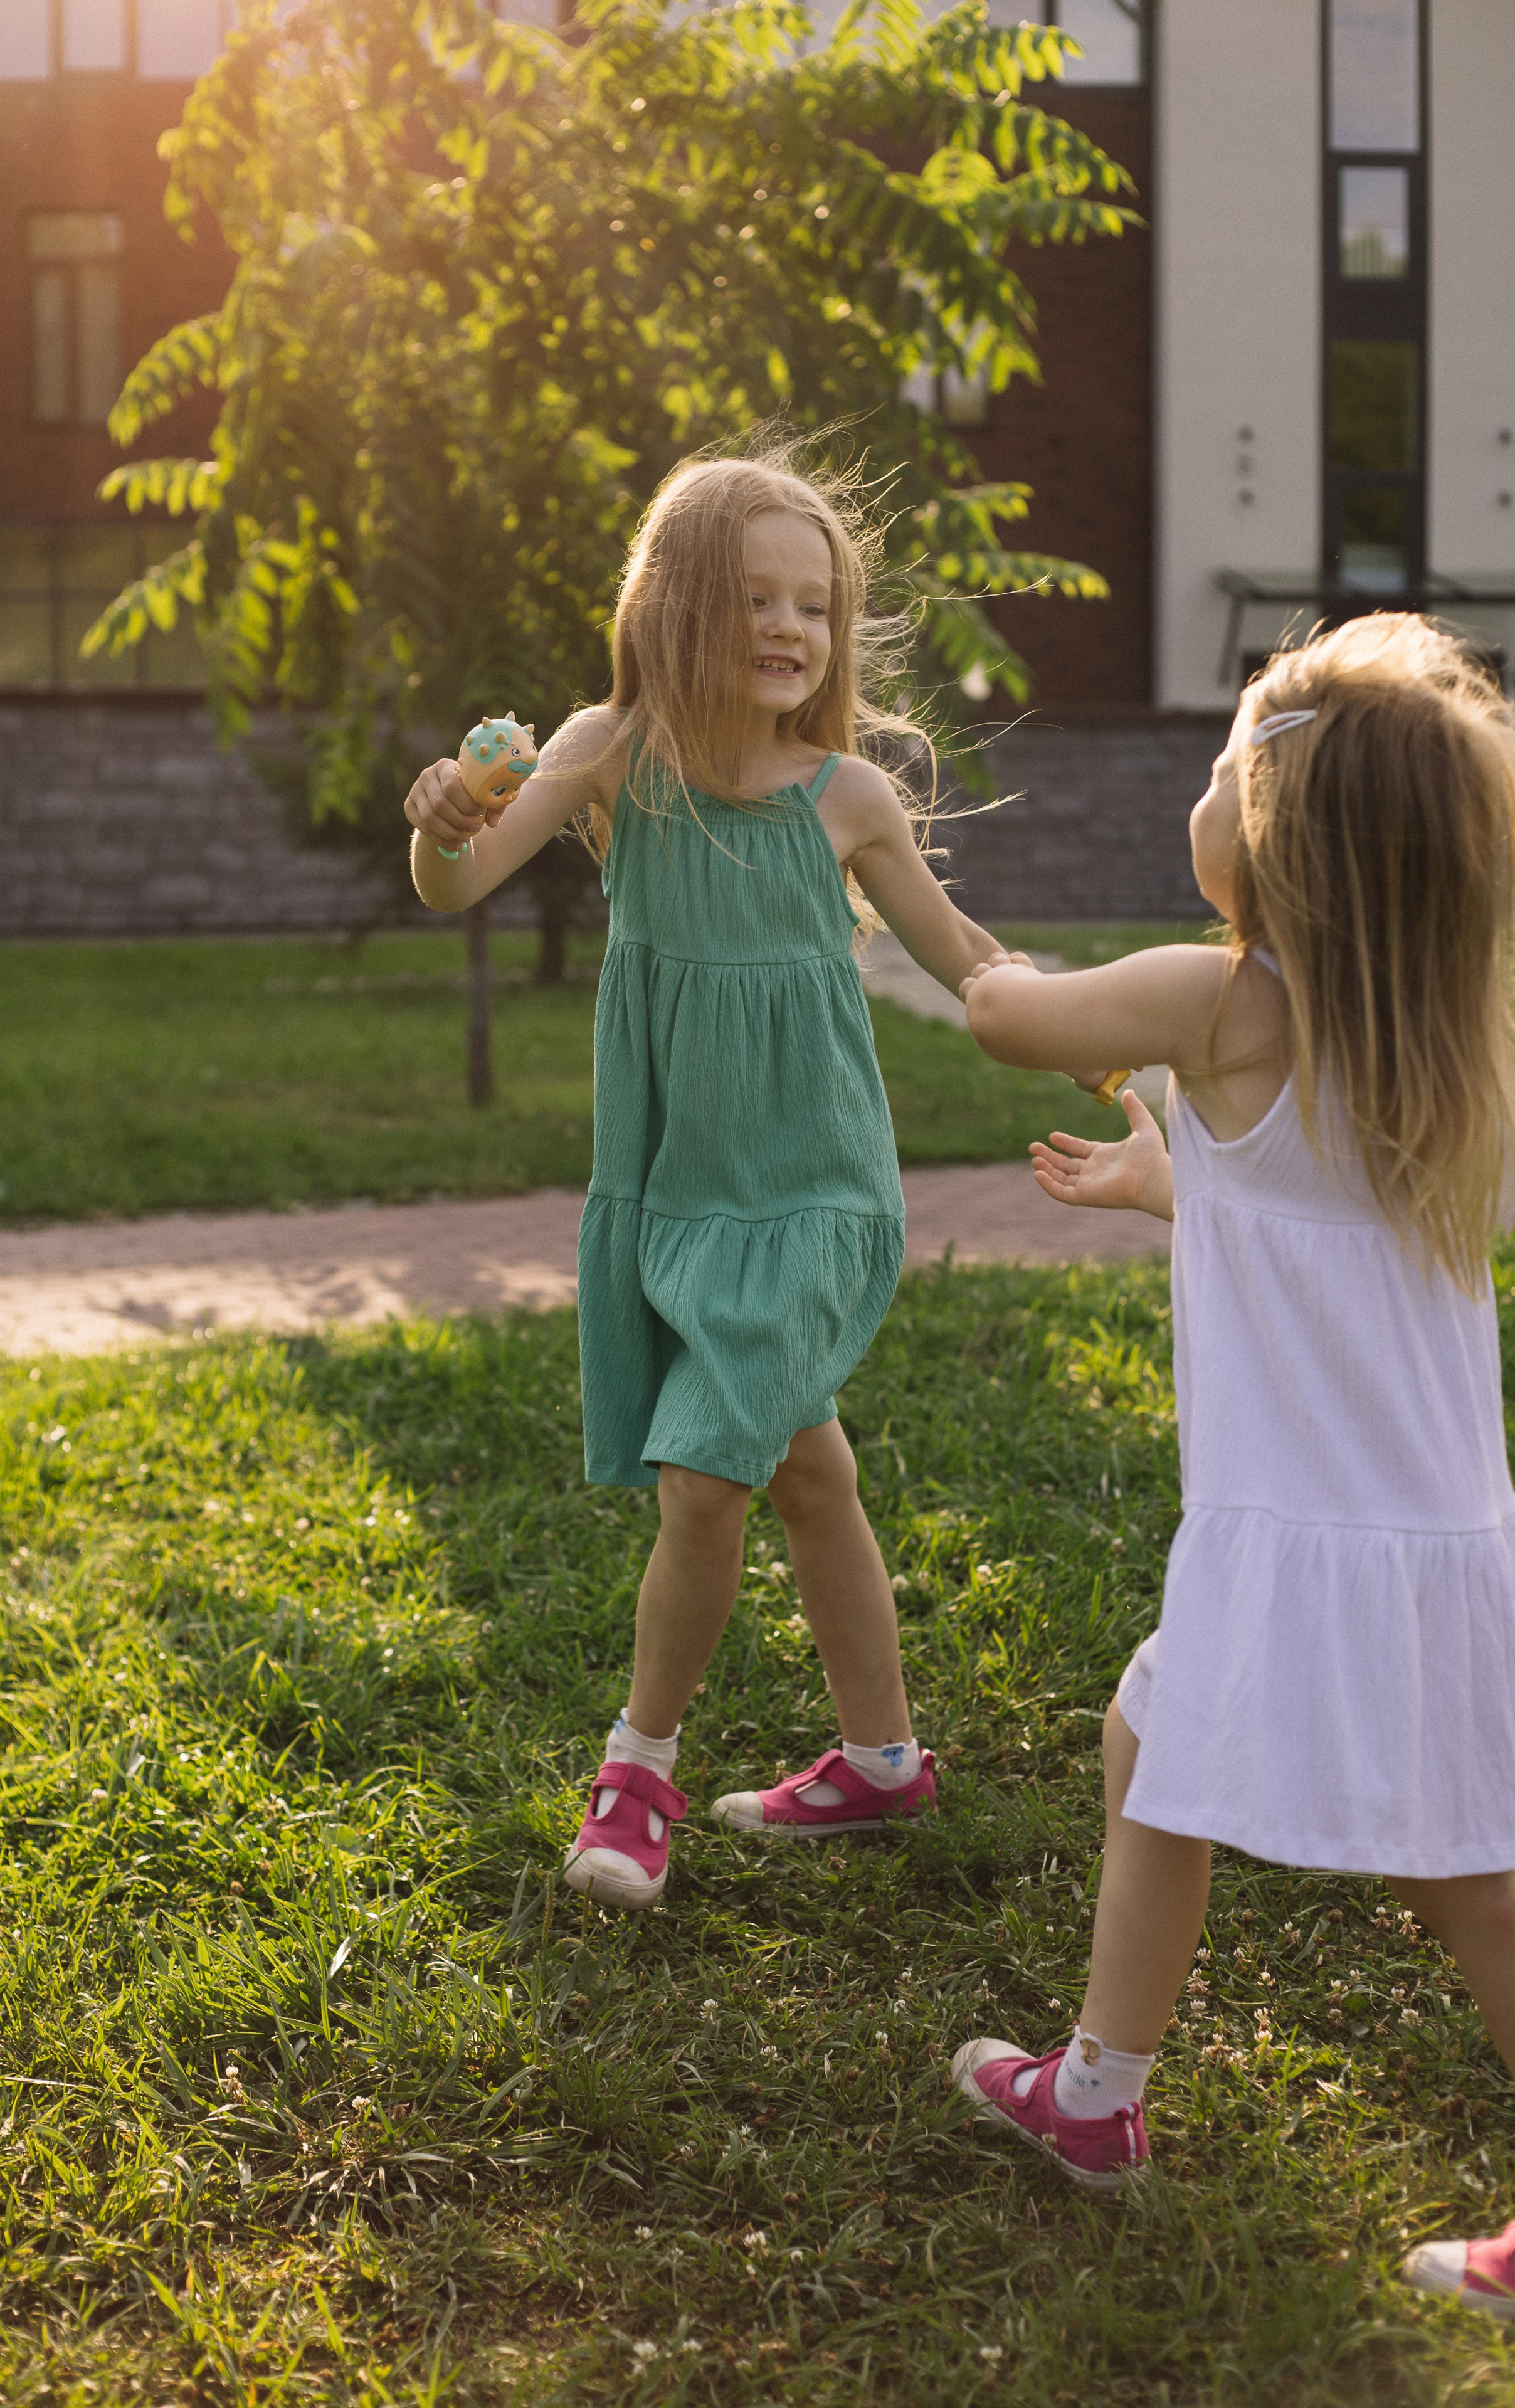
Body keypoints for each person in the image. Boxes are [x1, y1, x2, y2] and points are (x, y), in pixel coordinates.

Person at [952, 615, 1515, 2321]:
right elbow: (1314, 1252)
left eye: (1220, 763)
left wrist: (895, 888)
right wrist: (1167, 1191)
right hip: (1442, 1547)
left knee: (1165, 1762)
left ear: (1272, 832)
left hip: (1294, 1553)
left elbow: (1006, 1017)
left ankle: (1098, 2104)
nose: (1198, 784)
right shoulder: (1430, 1046)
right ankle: (1098, 2095)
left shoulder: (1216, 999)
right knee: (1450, 1876)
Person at [403, 450, 1022, 1910]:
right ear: (671, 604)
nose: (789, 629)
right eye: (754, 598)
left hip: (815, 1197)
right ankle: (879, 1763)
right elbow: (459, 885)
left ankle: (637, 1772)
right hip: (679, 1198)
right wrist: (436, 821)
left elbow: (972, 970)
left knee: (702, 1486)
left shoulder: (845, 797)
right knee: (807, 1470)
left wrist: (1110, 1040)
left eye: (812, 604)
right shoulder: (610, 755)